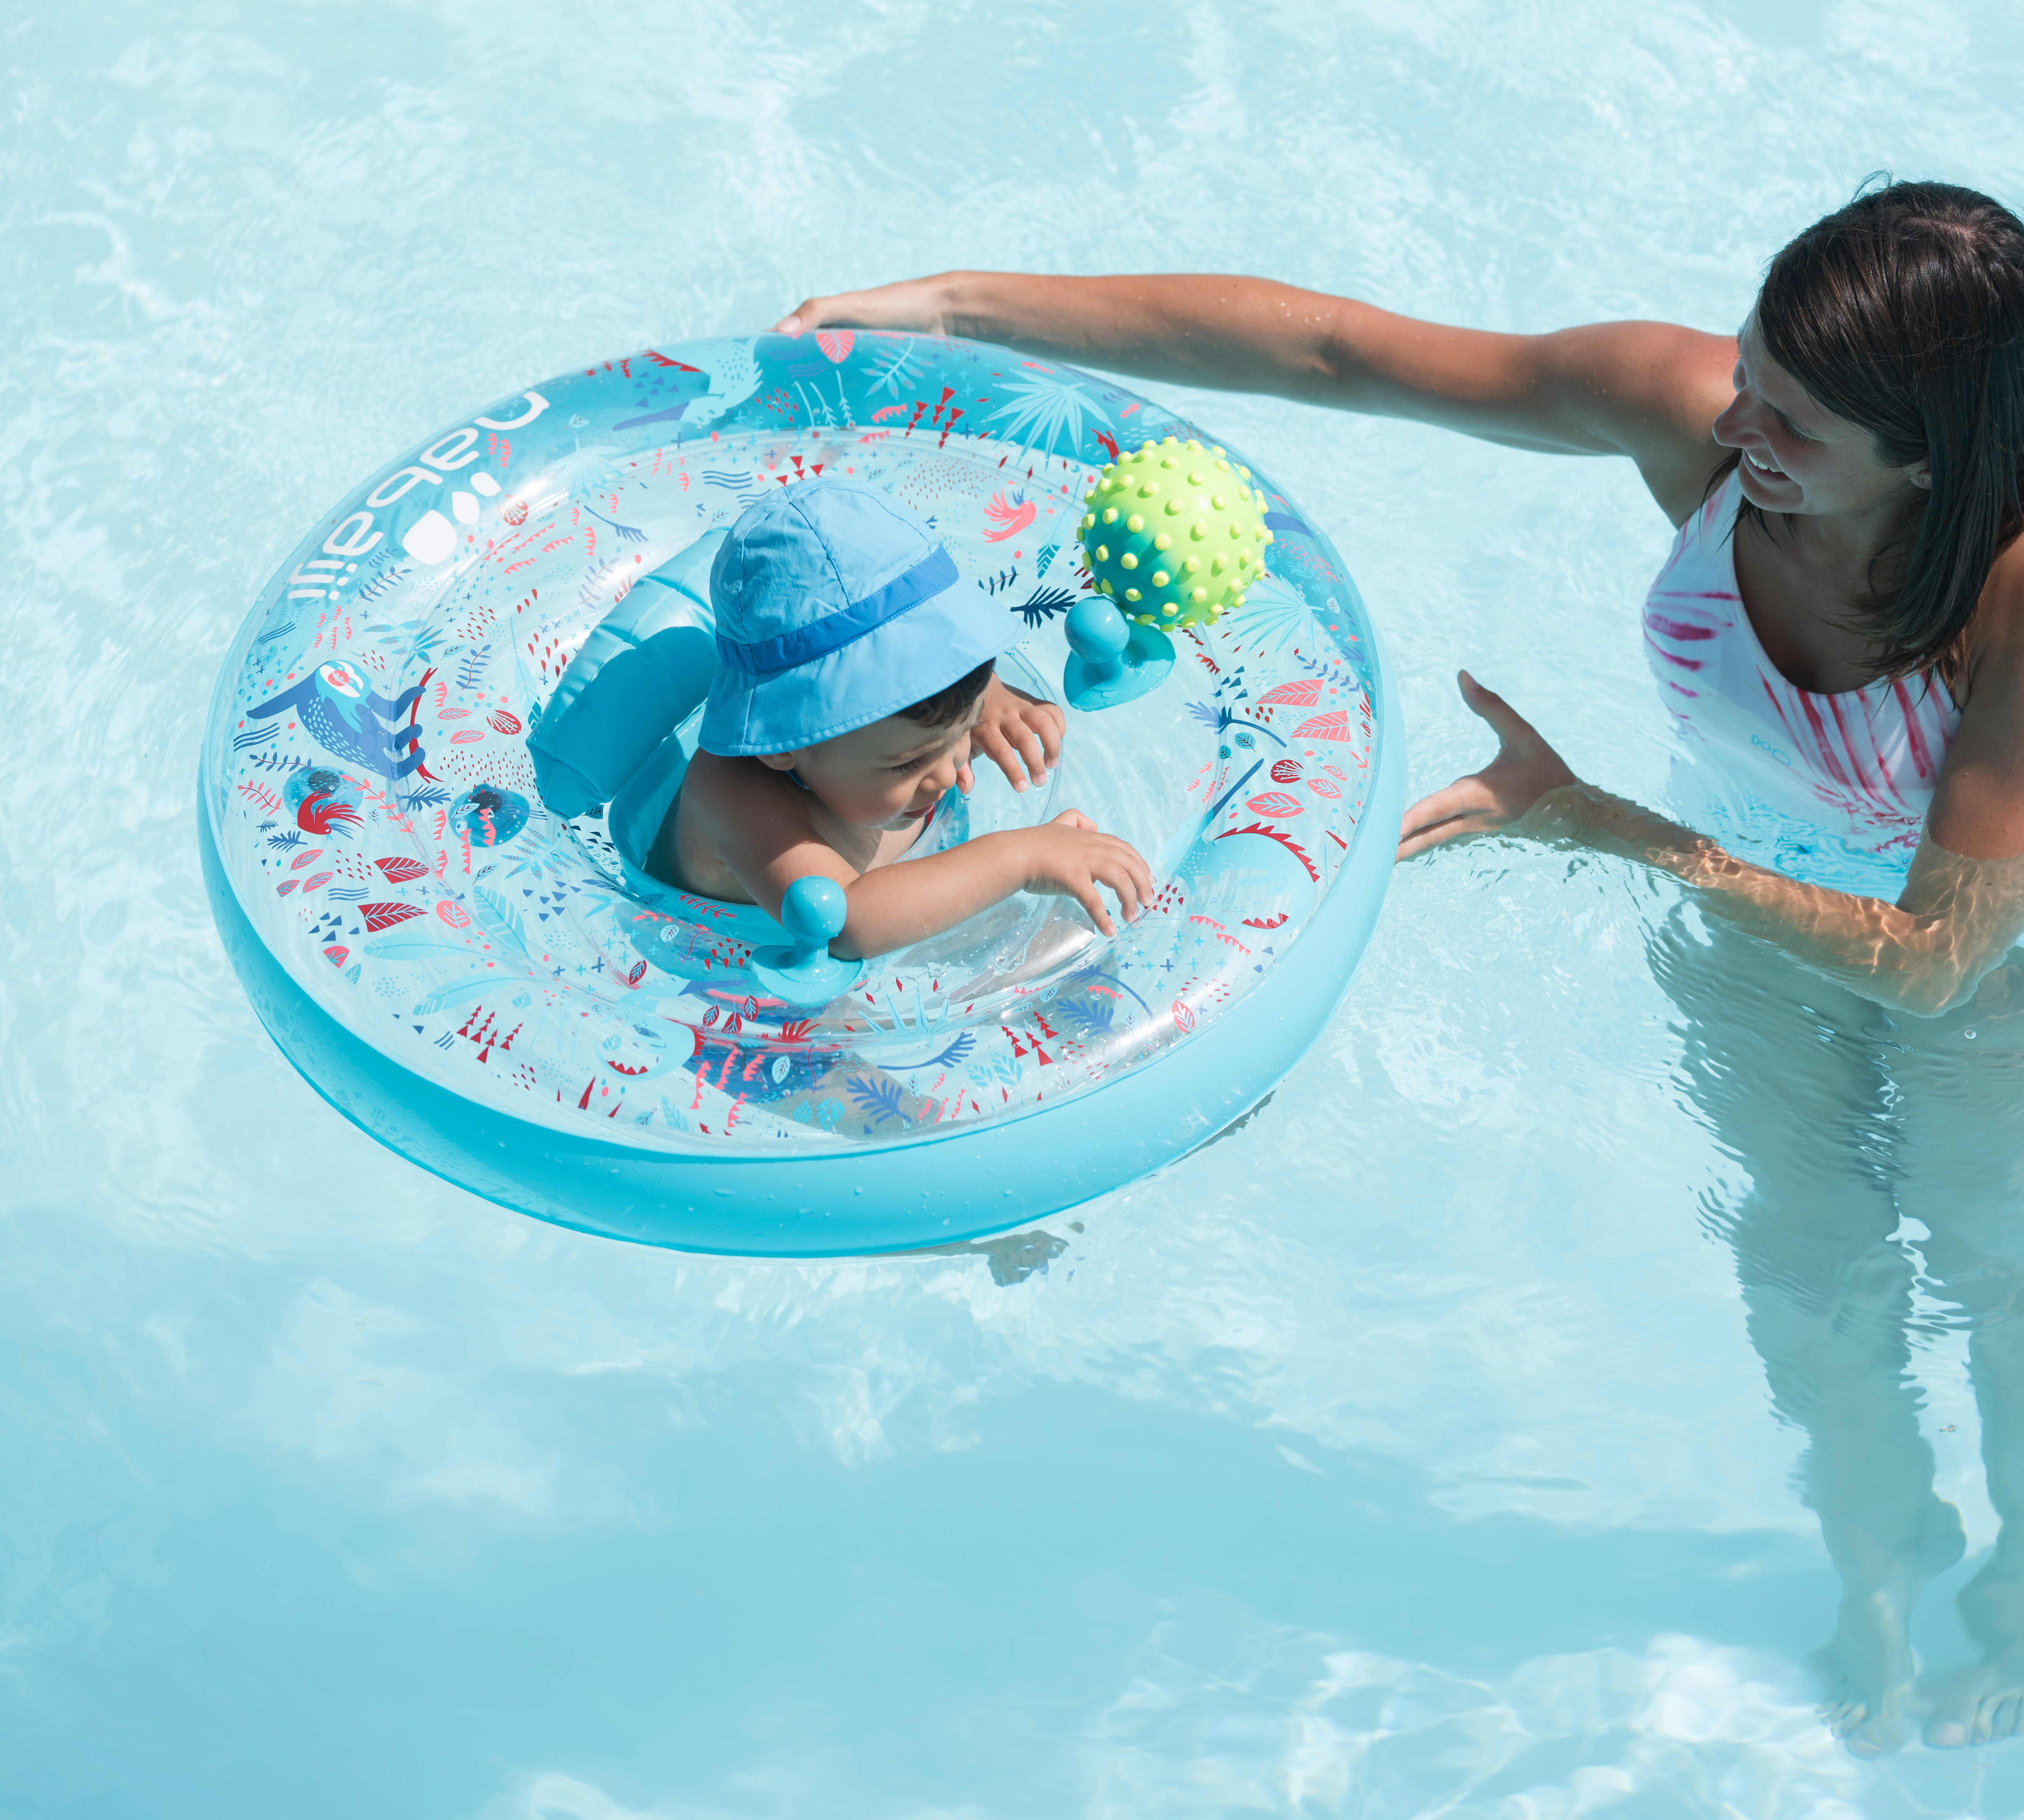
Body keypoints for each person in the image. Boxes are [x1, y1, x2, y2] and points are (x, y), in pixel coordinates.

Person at [778, 182, 2024, 1752]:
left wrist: (1598, 827)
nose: (1736, 424)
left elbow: (1929, 962)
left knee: (1997, 1295)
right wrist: (956, 305)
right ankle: (1881, 1573)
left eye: (1790, 421)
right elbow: (1329, 349)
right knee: (1809, 1283)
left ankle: (2019, 1604)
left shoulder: (2006, 593)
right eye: (1748, 373)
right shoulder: (1698, 416)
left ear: (1923, 458)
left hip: (1987, 996)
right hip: (1753, 933)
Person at [644, 482, 1153, 958]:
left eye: (961, 730)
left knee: (1076, 944)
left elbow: (939, 671)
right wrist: (1023, 858)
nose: (950, 771)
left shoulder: (894, 726)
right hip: (742, 957)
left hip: (909, 880)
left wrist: (987, 702)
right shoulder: (730, 796)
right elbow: (845, 925)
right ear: (782, 743)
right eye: (908, 762)